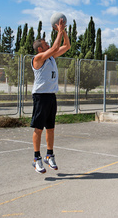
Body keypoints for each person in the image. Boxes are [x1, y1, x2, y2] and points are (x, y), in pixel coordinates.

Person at [31, 18, 70, 174]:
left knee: (51, 129)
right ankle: (36, 159)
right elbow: (55, 47)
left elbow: (66, 46)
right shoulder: (38, 59)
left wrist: (64, 31)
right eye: (45, 44)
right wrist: (59, 31)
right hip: (40, 97)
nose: (48, 44)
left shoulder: (51, 57)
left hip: (51, 96)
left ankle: (49, 155)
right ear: (40, 49)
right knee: (38, 129)